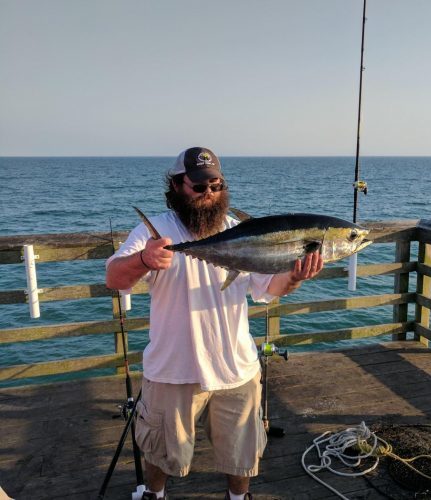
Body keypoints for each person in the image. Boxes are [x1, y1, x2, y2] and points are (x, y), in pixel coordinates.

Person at [106, 147, 323, 500]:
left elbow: (269, 288)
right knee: (162, 449)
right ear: (177, 186)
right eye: (198, 186)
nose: (209, 194)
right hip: (173, 370)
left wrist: (295, 278)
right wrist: (145, 258)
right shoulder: (157, 231)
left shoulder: (238, 231)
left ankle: (238, 498)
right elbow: (115, 278)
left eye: (216, 185)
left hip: (236, 368)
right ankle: (154, 495)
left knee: (241, 455)